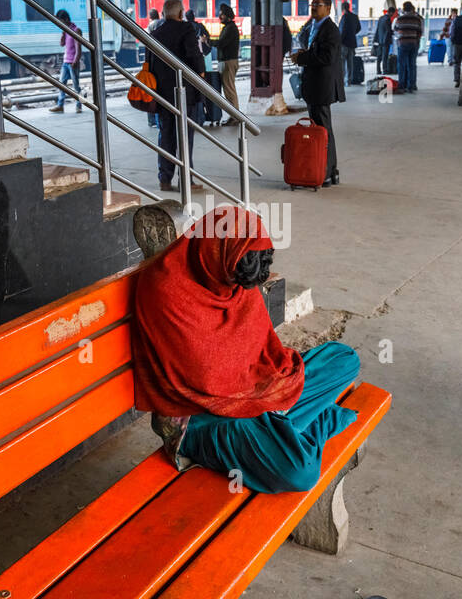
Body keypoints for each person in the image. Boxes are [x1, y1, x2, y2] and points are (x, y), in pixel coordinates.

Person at [133, 205, 362, 491]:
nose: (237, 290)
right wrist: (269, 392)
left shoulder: (231, 272)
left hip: (250, 393)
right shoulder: (166, 288)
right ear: (215, 256)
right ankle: (315, 424)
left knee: (344, 359)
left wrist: (272, 386)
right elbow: (207, 379)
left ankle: (281, 426)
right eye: (232, 280)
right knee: (300, 472)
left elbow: (261, 348)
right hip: (201, 418)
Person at [148, 0, 205, 193]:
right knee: (185, 136)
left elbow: (150, 62)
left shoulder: (155, 33)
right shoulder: (186, 29)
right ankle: (186, 180)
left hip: (162, 93)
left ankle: (165, 179)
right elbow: (194, 55)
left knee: (166, 135)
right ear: (181, 13)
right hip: (184, 93)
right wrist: (201, 74)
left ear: (164, 14)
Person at [290, 0, 343, 186]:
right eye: (312, 5)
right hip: (314, 86)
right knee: (320, 128)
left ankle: (328, 171)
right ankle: (327, 169)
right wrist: (306, 54)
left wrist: (302, 59)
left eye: (318, 5)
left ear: (328, 8)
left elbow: (327, 58)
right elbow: (317, 53)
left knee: (323, 130)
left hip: (322, 86)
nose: (313, 8)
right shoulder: (315, 27)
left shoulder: (330, 30)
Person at [215, 3, 241, 125]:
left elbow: (221, 43)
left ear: (227, 16)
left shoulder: (230, 28)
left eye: (221, 14)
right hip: (229, 61)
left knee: (229, 90)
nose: (220, 16)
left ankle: (235, 117)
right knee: (230, 89)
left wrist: (207, 41)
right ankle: (234, 115)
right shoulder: (229, 27)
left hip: (228, 61)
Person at [52, 9, 81, 113]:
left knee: (76, 85)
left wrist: (75, 61)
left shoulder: (76, 30)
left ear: (66, 19)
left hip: (73, 62)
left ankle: (79, 105)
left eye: (61, 21)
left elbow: (78, 48)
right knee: (62, 84)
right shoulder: (66, 30)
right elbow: (62, 44)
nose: (60, 24)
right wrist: (63, 33)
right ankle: (60, 105)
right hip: (65, 62)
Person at [392, 1, 424, 94]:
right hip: (413, 43)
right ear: (412, 9)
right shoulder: (417, 19)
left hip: (402, 43)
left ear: (404, 8)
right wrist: (415, 39)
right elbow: (420, 32)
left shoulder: (399, 19)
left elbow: (395, 30)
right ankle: (412, 85)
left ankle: (402, 85)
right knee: (412, 64)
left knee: (401, 65)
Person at [339, 0, 361, 88]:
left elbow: (342, 31)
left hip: (344, 43)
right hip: (352, 42)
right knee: (350, 62)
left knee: (342, 62)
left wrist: (339, 41)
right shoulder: (355, 17)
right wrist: (352, 33)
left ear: (343, 8)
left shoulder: (345, 17)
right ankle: (349, 81)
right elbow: (359, 28)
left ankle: (342, 80)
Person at [374, 0, 396, 75]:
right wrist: (392, 33)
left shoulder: (381, 18)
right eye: (393, 14)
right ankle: (385, 70)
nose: (392, 15)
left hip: (379, 40)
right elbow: (388, 31)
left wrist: (375, 39)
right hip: (385, 41)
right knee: (385, 56)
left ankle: (378, 70)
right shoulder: (388, 19)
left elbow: (377, 29)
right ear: (391, 12)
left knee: (379, 56)